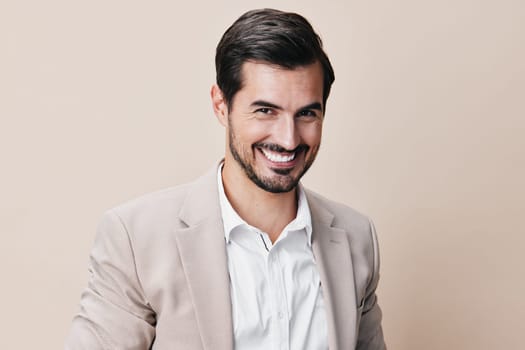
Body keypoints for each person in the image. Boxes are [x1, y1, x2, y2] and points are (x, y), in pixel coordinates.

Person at [66, 8, 386, 350]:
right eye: (266, 110)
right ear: (221, 105)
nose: (289, 139)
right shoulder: (136, 237)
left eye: (307, 113)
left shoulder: (356, 237)